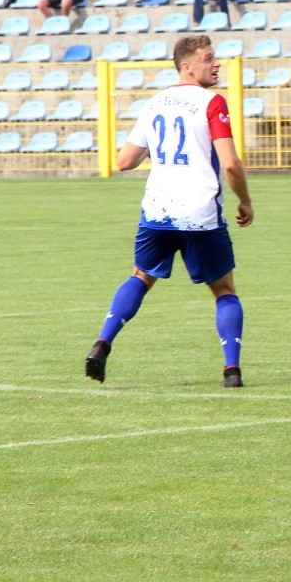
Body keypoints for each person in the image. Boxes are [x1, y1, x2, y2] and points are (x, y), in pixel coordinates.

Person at [84, 34, 254, 389]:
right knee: (224, 289)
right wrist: (245, 201)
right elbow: (231, 164)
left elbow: (124, 161)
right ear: (187, 67)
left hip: (158, 210)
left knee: (141, 276)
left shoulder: (154, 103)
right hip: (200, 211)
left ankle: (103, 343)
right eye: (209, 58)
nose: (216, 63)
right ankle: (231, 370)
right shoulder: (212, 102)